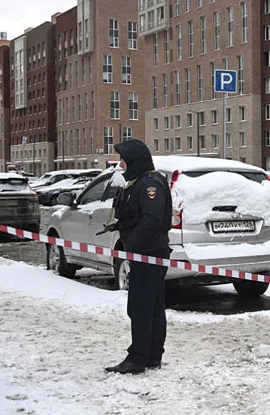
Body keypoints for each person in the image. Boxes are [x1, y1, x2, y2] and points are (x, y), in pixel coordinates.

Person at [105, 139, 172, 375]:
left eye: (123, 160)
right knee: (152, 306)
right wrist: (120, 225)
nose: (120, 165)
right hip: (150, 252)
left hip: (148, 253)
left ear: (134, 160)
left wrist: (131, 244)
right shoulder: (142, 182)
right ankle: (152, 356)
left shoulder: (149, 184)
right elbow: (140, 215)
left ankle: (138, 359)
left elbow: (153, 220)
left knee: (141, 307)